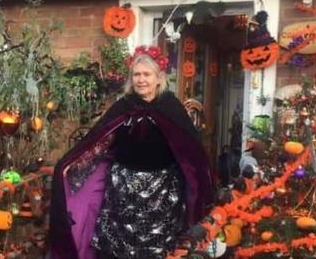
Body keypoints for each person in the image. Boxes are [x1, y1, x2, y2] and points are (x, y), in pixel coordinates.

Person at [48, 45, 214, 259]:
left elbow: (191, 150)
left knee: (157, 250)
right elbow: (99, 139)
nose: (141, 80)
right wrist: (72, 162)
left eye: (146, 74)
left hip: (161, 193)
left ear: (158, 78)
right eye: (136, 74)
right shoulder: (124, 106)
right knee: (120, 250)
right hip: (123, 190)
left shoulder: (170, 106)